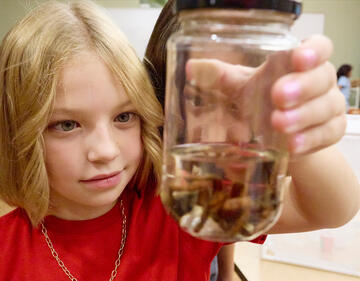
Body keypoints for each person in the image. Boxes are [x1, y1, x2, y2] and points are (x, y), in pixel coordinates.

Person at [0, 1, 358, 281]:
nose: (105, 151)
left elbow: (329, 209)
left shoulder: (180, 204)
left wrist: (302, 139)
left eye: (124, 117)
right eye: (66, 124)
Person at [144, 0, 360, 280]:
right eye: (198, 99)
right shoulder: (158, 180)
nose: (222, 134)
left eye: (243, 103)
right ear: (164, 90)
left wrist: (301, 143)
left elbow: (334, 210)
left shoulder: (219, 187)